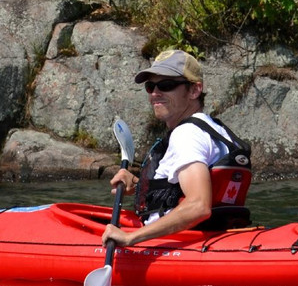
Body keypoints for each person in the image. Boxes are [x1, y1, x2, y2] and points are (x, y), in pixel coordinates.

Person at [101, 49, 252, 247]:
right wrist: (138, 186)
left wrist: (130, 238)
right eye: (150, 86)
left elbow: (199, 206)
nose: (155, 93)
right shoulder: (214, 129)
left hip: (176, 242)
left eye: (166, 85)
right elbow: (178, 190)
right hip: (211, 236)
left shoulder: (186, 134)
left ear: (194, 90)